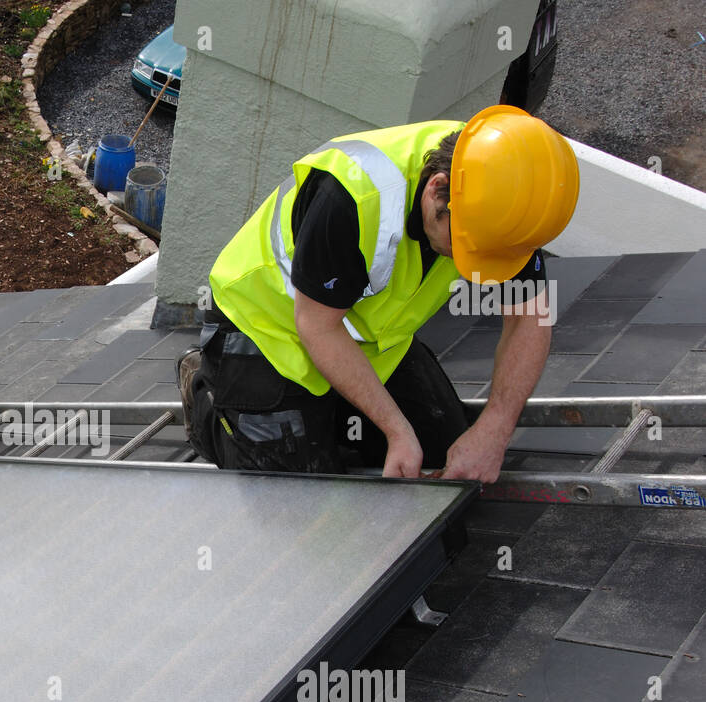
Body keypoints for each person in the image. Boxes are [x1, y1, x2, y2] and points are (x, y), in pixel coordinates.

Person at [177, 105, 579, 484]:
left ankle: (331, 418)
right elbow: (317, 327)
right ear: (438, 191)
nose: (473, 265)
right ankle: (208, 405)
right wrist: (396, 430)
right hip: (265, 330)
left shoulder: (503, 195)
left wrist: (495, 430)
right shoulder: (352, 196)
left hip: (363, 335)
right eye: (466, 247)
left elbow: (531, 318)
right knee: (299, 498)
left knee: (445, 460)